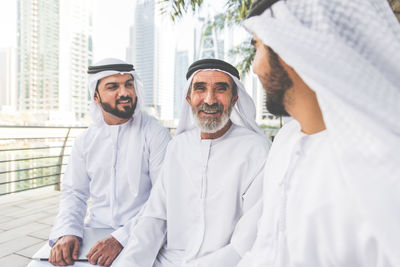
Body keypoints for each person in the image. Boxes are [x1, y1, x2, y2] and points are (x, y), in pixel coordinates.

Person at [238, 0, 400, 266]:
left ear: (290, 49)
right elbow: (266, 250)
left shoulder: (382, 165)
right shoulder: (285, 142)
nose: (254, 68)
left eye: (258, 46)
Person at [113, 59, 271, 267]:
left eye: (220, 89)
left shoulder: (257, 150)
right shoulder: (178, 147)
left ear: (234, 99)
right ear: (188, 97)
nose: (210, 99)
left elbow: (246, 242)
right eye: (200, 88)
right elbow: (155, 218)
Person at [28, 58, 171, 267]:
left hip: (143, 231)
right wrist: (68, 232)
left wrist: (120, 239)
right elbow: (74, 193)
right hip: (95, 231)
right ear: (96, 96)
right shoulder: (85, 141)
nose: (124, 92)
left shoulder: (155, 134)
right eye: (113, 87)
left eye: (128, 85)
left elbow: (164, 198)